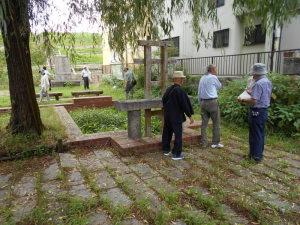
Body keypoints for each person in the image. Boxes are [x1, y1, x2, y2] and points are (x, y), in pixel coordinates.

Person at [238, 63, 272, 162]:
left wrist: (242, 100)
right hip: (264, 110)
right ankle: (258, 154)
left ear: (257, 73)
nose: (252, 75)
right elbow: (264, 95)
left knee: (254, 134)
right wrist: (249, 92)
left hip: (256, 111)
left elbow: (253, 100)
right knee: (260, 133)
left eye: (253, 73)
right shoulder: (267, 81)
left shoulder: (258, 83)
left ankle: (255, 157)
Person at [162, 71, 194, 160]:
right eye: (182, 78)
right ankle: (176, 154)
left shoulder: (169, 89)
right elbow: (185, 105)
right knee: (178, 135)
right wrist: (190, 116)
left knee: (167, 133)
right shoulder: (180, 91)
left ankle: (166, 150)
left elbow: (163, 100)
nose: (183, 80)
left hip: (168, 116)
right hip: (176, 117)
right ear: (179, 79)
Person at [198, 64, 223, 148]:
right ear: (212, 70)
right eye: (216, 69)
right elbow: (220, 86)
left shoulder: (202, 78)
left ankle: (204, 142)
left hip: (203, 102)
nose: (216, 71)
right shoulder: (213, 77)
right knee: (216, 123)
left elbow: (199, 91)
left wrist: (200, 102)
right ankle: (215, 143)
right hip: (212, 102)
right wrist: (215, 77)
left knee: (204, 124)